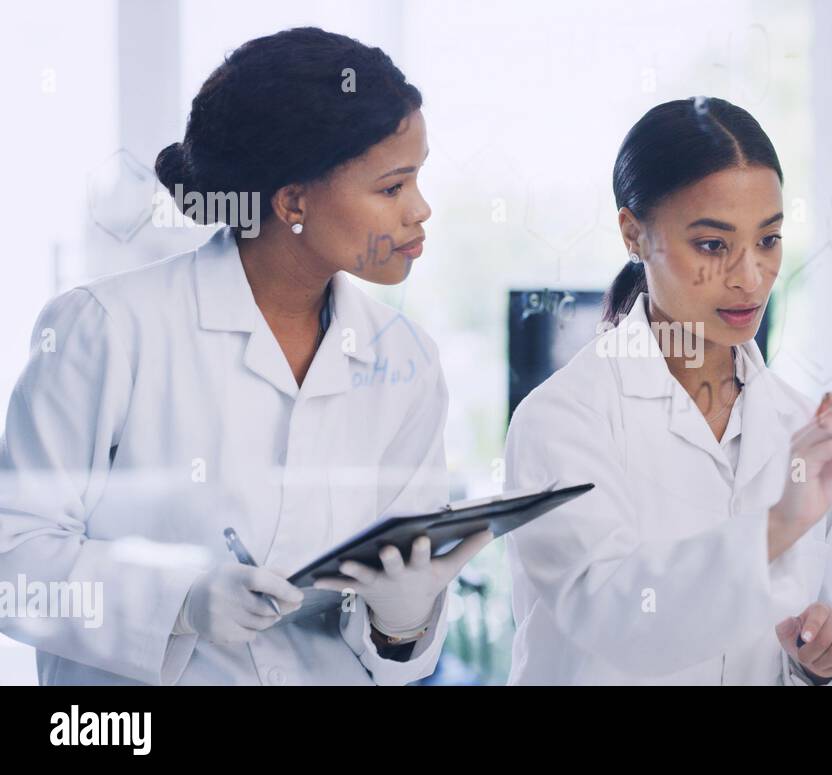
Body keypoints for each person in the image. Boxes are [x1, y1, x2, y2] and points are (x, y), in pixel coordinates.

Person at [0, 27, 489, 685]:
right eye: (393, 186)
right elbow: (15, 561)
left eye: (418, 178)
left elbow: (397, 648)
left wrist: (400, 623)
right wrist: (179, 600)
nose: (421, 210)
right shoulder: (107, 330)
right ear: (293, 201)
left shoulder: (405, 359)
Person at [504, 97, 832, 685]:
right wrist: (780, 523)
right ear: (634, 234)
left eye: (768, 240)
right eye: (712, 244)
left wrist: (824, 664)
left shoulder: (797, 424)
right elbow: (615, 621)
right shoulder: (562, 420)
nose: (749, 276)